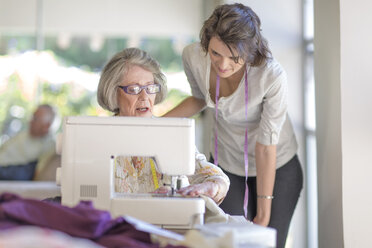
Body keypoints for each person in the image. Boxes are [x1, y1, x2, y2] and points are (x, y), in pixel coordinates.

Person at [163, 3, 303, 248]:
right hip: (226, 163)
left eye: (234, 58)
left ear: (249, 51)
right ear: (207, 43)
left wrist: (263, 214)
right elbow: (198, 99)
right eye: (216, 53)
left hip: (276, 164)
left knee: (266, 243)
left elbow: (265, 147)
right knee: (225, 241)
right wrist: (154, 127)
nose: (223, 65)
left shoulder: (272, 76)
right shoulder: (193, 56)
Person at [97, 47, 230, 205]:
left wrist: (209, 187)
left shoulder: (170, 134)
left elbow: (214, 177)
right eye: (134, 89)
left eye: (150, 88)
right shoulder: (99, 136)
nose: (144, 97)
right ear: (113, 92)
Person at [0, 104, 57, 180]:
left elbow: (37, 172)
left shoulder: (50, 145)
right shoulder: (22, 134)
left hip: (12, 171)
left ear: (47, 125)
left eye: (35, 118)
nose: (30, 121)